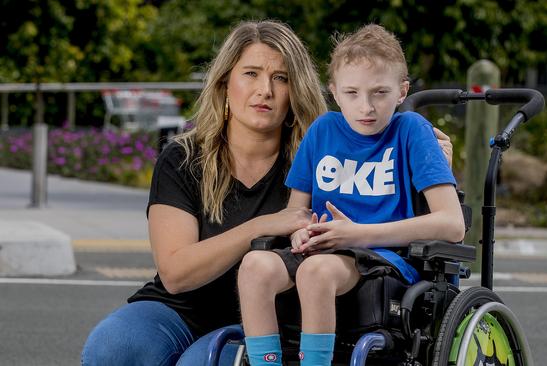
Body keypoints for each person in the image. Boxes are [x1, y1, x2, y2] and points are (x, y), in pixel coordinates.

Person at [81, 20, 453, 365]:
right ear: (226, 83)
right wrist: (261, 225)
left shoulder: (322, 151)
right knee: (113, 347)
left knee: (200, 361)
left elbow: (390, 188)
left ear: (297, 89)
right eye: (251, 74)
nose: (265, 90)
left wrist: (433, 163)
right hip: (182, 307)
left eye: (280, 77)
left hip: (276, 316)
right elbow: (176, 274)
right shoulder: (183, 158)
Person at [237, 24, 465, 366]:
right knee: (254, 266)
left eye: (380, 93)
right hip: (324, 247)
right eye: (352, 93)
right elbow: (296, 212)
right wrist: (300, 231)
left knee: (316, 272)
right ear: (334, 91)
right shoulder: (322, 131)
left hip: (383, 258)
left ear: (402, 91)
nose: (366, 107)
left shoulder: (411, 131)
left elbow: (452, 225)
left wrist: (359, 233)